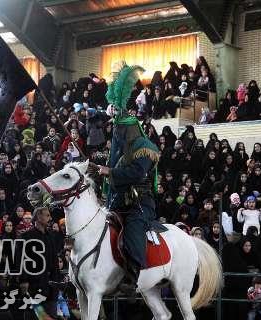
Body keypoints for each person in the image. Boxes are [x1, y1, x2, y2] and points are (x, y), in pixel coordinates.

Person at [97, 63, 165, 284]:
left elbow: (136, 173)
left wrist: (111, 171)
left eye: (120, 132)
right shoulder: (118, 152)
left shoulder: (145, 147)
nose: (116, 136)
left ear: (129, 129)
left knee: (133, 231)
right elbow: (113, 170)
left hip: (140, 204)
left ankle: (135, 274)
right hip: (117, 202)